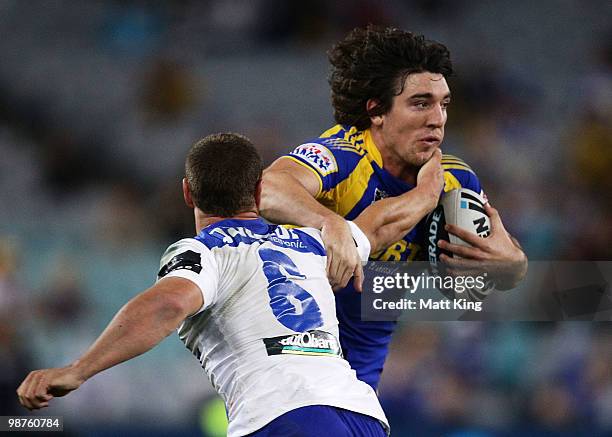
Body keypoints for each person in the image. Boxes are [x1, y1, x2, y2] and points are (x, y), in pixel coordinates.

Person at [17, 133, 390, 437]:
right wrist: (427, 188)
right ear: (260, 191)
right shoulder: (313, 242)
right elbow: (381, 225)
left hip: (283, 416)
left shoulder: (206, 251)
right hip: (363, 416)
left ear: (187, 193)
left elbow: (168, 304)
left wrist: (77, 370)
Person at [260, 25, 528, 390]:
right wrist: (329, 222)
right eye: (420, 103)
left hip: (360, 386)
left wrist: (511, 265)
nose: (437, 118)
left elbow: (506, 262)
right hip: (288, 372)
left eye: (443, 104)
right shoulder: (343, 157)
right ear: (376, 111)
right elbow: (268, 188)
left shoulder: (455, 182)